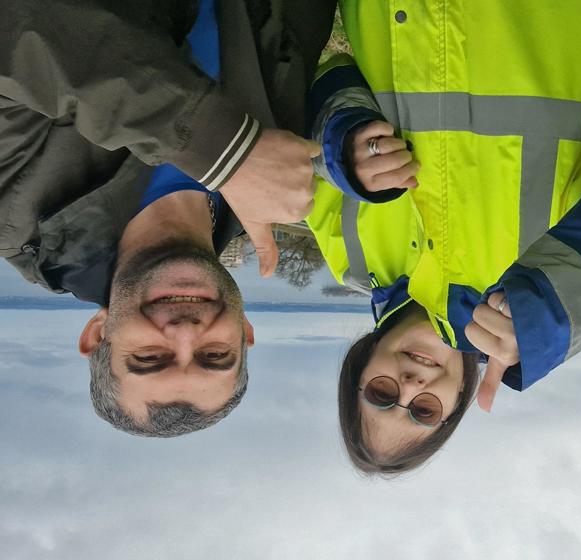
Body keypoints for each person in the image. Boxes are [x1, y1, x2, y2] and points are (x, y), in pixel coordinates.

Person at [306, 0, 581, 474]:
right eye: (424, 410)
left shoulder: (351, 259)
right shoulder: (533, 305)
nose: (408, 385)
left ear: (359, 372)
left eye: (382, 395)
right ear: (458, 399)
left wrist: (343, 141)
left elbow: (323, 88)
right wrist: (564, 297)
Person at [0, 0, 336, 436]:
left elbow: (19, 30)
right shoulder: (268, 194)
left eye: (149, 358)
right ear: (245, 333)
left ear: (98, 334)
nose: (184, 333)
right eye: (215, 356)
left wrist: (224, 151)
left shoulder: (17, 209)